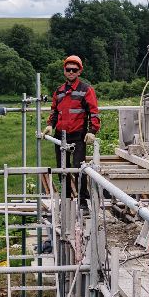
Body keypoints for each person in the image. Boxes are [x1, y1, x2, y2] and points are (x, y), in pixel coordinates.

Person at [48, 54, 99, 199]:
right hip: (60, 136)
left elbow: (94, 112)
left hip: (78, 136)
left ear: (79, 72)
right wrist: (50, 125)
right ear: (64, 70)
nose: (71, 72)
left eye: (74, 70)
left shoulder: (86, 90)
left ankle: (82, 201)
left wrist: (92, 131)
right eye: (68, 69)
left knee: (79, 169)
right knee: (62, 168)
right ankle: (66, 199)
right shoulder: (58, 91)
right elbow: (54, 111)